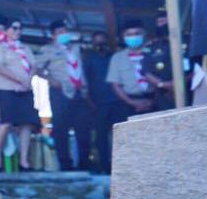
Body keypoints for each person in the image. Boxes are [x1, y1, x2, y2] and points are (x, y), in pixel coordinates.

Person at [36, 20, 91, 171]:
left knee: (83, 130)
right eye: (60, 32)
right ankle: (65, 165)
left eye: (65, 31)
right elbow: (36, 68)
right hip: (60, 92)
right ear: (53, 35)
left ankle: (84, 165)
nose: (64, 34)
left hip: (80, 92)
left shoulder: (77, 49)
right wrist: (51, 80)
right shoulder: (47, 49)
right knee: (61, 130)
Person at [0, 19, 38, 171]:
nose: (18, 31)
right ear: (6, 30)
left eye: (20, 28)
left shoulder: (25, 47)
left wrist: (28, 81)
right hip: (7, 88)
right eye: (14, 28)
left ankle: (24, 161)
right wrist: (20, 80)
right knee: (6, 122)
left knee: (26, 123)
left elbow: (34, 66)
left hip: (26, 89)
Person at [82, 31, 119, 174]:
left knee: (118, 135)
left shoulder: (113, 58)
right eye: (97, 43)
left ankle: (119, 164)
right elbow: (84, 83)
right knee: (101, 137)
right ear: (93, 44)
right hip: (98, 105)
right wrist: (90, 103)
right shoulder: (89, 59)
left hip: (117, 102)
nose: (100, 46)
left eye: (102, 43)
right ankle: (105, 166)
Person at [106, 20, 155, 122]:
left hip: (155, 102)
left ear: (144, 34)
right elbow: (115, 85)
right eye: (129, 34)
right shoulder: (117, 58)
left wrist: (153, 101)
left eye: (137, 33)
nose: (133, 37)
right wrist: (131, 102)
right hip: (129, 105)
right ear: (124, 37)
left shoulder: (154, 54)